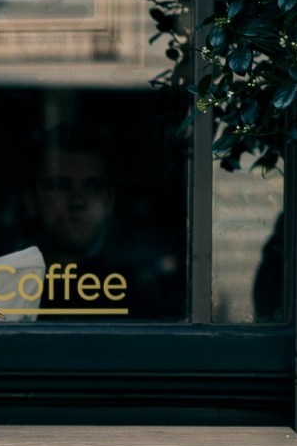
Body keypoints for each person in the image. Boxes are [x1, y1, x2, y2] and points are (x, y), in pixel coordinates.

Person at [20, 133, 181, 319]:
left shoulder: (135, 292)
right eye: (58, 186)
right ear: (30, 199)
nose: (77, 201)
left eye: (93, 187)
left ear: (110, 200)